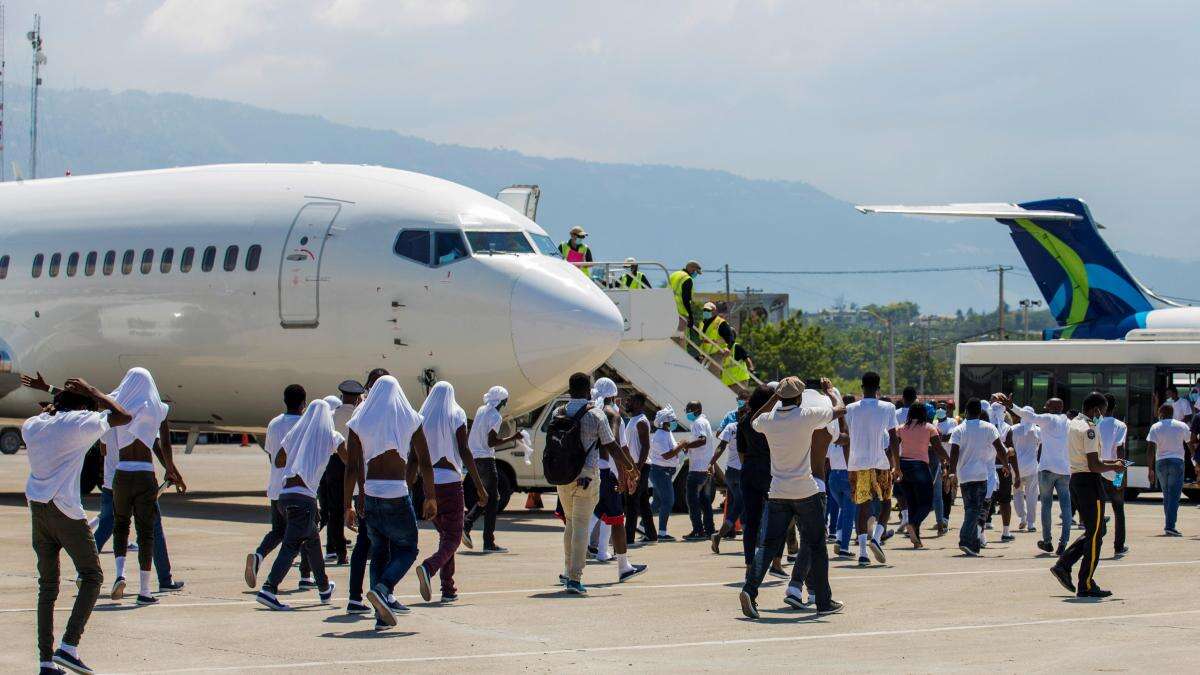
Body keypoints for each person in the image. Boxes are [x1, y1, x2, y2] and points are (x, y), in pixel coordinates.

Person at [20, 374, 132, 675]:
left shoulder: (32, 426)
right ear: (84, 406)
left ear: (54, 406)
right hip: (65, 511)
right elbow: (123, 415)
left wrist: (56, 395)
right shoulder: (81, 424)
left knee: (48, 587)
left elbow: (56, 409)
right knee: (93, 576)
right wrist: (94, 390)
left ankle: (45, 661)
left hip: (38, 509)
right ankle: (69, 646)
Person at [738, 377, 846, 619]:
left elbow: (754, 419)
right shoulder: (806, 415)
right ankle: (824, 601)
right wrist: (830, 391)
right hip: (805, 489)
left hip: (778, 490)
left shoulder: (768, 420)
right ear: (799, 397)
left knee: (767, 546)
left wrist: (775, 399)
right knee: (817, 545)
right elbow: (840, 410)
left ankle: (749, 589)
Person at [343, 375, 435, 627]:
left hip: (370, 492)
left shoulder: (359, 420)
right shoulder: (410, 418)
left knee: (380, 551)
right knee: (408, 548)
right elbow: (425, 461)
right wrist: (430, 496)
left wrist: (347, 505)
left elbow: (351, 467)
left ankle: (380, 616)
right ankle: (383, 589)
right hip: (396, 491)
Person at [104, 367, 186, 605]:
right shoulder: (158, 408)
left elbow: (97, 402)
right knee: (146, 532)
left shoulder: (117, 406)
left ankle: (120, 574)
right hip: (144, 474)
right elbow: (163, 444)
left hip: (122, 473)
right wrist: (171, 470)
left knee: (120, 526)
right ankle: (144, 590)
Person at [256, 400, 346, 611]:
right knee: (291, 546)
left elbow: (278, 460)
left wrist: (299, 455)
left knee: (313, 543)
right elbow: (348, 460)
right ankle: (269, 589)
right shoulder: (332, 436)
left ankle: (324, 589)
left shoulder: (296, 433)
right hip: (303, 499)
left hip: (285, 495)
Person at [553, 372, 635, 595]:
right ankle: (574, 577)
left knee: (571, 524)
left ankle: (568, 570)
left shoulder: (558, 412)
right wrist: (630, 469)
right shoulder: (596, 415)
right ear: (588, 390)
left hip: (563, 477)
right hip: (587, 477)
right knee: (580, 526)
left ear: (569, 390)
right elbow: (612, 447)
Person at [415, 382, 488, 603]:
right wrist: (478, 484)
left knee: (446, 537)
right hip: (451, 481)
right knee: (454, 537)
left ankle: (448, 589)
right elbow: (464, 450)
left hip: (429, 483)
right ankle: (429, 567)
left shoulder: (422, 415)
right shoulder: (456, 413)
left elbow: (414, 453)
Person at [1048, 392, 1125, 598]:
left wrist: (1111, 464)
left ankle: (1064, 564)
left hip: (1077, 479)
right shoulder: (1090, 429)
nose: (1103, 415)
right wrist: (1114, 466)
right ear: (1097, 410)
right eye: (1103, 411)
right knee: (1095, 536)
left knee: (1097, 530)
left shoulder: (1073, 424)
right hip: (1089, 482)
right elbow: (1094, 464)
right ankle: (1086, 583)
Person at [245, 384, 308, 590]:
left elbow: (272, 456)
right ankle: (306, 576)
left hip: (276, 487)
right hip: (300, 489)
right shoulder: (305, 424)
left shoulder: (274, 424)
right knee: (307, 532)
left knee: (278, 531)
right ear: (304, 403)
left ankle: (259, 555)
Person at [588, 378, 647, 581]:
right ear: (613, 395)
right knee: (617, 520)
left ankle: (572, 565)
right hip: (607, 474)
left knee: (594, 515)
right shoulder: (613, 414)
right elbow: (617, 447)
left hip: (591, 472)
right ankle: (623, 567)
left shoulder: (591, 412)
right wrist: (629, 472)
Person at [343, 368, 390, 615]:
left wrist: (350, 501)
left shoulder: (360, 412)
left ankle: (355, 597)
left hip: (367, 490)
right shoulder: (390, 412)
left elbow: (352, 464)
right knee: (387, 545)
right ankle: (382, 594)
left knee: (364, 544)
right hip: (384, 490)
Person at [844, 372, 898, 567]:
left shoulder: (850, 409)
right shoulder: (888, 407)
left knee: (862, 506)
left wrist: (848, 462)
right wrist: (897, 466)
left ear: (861, 387)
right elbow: (893, 438)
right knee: (885, 502)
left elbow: (846, 437)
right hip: (880, 462)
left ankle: (863, 553)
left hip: (857, 463)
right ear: (878, 388)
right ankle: (876, 537)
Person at [1010, 398, 1072, 555]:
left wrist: (1011, 405)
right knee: (1066, 507)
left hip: (1046, 470)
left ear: (1051, 408)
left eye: (1047, 406)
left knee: (1046, 506)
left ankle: (1047, 541)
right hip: (1064, 471)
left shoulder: (1047, 418)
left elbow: (1028, 415)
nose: (1045, 409)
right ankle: (1063, 542)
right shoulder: (1068, 422)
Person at [462, 386, 520, 553]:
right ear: (501, 400)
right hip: (486, 460)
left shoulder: (481, 410)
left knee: (488, 496)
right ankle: (487, 541)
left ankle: (468, 524)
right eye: (505, 400)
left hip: (475, 459)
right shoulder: (495, 416)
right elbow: (491, 442)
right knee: (493, 499)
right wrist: (513, 437)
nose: (506, 402)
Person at [948, 399, 1008, 556]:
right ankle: (965, 540)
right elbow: (1000, 449)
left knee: (970, 509)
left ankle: (973, 544)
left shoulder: (959, 429)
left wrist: (952, 472)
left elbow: (954, 452)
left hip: (964, 476)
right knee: (975, 510)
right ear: (980, 412)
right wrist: (1006, 465)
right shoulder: (989, 428)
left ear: (966, 412)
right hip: (981, 475)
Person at [318, 380, 363, 565]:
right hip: (357, 461)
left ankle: (340, 552)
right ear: (357, 398)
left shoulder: (330, 415)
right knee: (361, 505)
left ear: (341, 396)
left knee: (335, 511)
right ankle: (364, 546)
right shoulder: (361, 414)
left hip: (334, 464)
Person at [896, 403, 949, 549]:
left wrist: (894, 465)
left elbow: (893, 447)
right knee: (926, 503)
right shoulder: (929, 428)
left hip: (903, 465)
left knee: (912, 503)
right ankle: (912, 524)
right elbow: (938, 448)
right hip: (919, 466)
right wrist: (949, 460)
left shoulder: (901, 428)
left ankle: (916, 541)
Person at [737, 385, 775, 569]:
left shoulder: (743, 421)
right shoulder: (769, 420)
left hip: (749, 469)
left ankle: (749, 562)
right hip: (768, 470)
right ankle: (774, 561)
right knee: (775, 517)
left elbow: (741, 452)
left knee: (751, 520)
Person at [1147, 403, 1189, 536]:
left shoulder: (1155, 426)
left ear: (1160, 413)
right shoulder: (1181, 425)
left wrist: (1150, 469)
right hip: (1177, 462)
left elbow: (1150, 449)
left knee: (1167, 495)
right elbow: (1190, 443)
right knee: (1174, 496)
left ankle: (1169, 524)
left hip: (1160, 463)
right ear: (1173, 413)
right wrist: (1195, 460)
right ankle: (1170, 526)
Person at [680, 401, 717, 540]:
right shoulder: (703, 422)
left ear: (696, 410)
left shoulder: (698, 423)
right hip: (705, 467)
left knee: (692, 501)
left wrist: (686, 445)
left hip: (697, 469)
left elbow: (702, 440)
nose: (686, 412)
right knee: (705, 501)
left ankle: (698, 530)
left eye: (688, 409)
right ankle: (709, 530)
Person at [1096, 393, 1128, 555]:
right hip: (1114, 470)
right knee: (1118, 509)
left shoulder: (1094, 424)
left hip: (1097, 470)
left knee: (1098, 509)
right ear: (1114, 407)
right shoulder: (1120, 425)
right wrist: (1121, 476)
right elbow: (1120, 449)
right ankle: (1119, 546)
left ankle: (1098, 539)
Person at [622, 393, 655, 544]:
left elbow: (646, 446)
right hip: (634, 466)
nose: (627, 403)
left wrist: (637, 470)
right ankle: (652, 535)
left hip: (639, 466)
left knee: (631, 503)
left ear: (639, 404)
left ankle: (628, 538)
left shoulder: (641, 421)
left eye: (631, 401)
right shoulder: (632, 420)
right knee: (642, 502)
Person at [646, 407, 682, 541]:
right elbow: (667, 455)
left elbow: (671, 449)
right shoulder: (660, 435)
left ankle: (644, 524)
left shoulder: (667, 432)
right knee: (668, 501)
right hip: (661, 472)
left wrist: (678, 446)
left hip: (662, 472)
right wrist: (682, 445)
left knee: (657, 502)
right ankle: (662, 532)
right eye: (672, 420)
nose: (674, 422)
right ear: (666, 422)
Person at [710, 417, 743, 552]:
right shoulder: (751, 425)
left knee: (738, 506)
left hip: (730, 472)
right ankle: (753, 542)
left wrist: (711, 463)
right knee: (743, 506)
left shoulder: (731, 427)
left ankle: (718, 536)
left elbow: (721, 446)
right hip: (742, 472)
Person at [1008, 407, 1042, 533]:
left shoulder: (1013, 429)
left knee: (1017, 493)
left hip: (1016, 468)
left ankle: (1022, 517)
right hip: (1032, 468)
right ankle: (1031, 523)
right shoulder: (1038, 430)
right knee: (1032, 495)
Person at [932, 404, 957, 535]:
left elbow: (950, 437)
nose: (940, 409)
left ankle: (945, 518)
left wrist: (937, 438)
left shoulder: (952, 421)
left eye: (943, 407)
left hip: (948, 460)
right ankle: (941, 517)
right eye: (938, 407)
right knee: (938, 493)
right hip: (936, 461)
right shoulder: (934, 422)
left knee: (946, 492)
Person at [667, 261, 702, 334]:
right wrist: (690, 315)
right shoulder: (687, 279)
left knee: (670, 337)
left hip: (668, 310)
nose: (696, 274)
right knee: (680, 338)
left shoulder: (674, 274)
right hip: (680, 312)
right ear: (691, 269)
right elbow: (686, 299)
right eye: (695, 272)